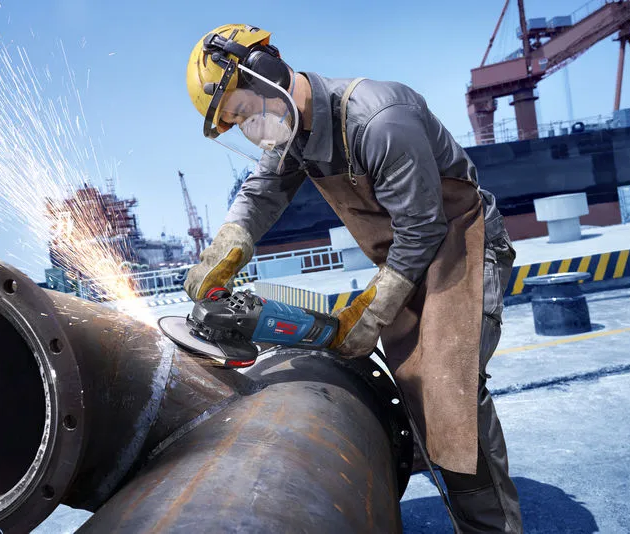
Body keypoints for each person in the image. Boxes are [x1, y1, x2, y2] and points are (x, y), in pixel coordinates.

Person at [183, 24, 523, 533]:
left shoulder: (380, 120)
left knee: (447, 389)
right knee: (411, 385)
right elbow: (260, 193)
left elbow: (423, 228)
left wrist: (369, 312)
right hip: (408, 258)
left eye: (241, 111)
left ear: (266, 73)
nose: (248, 129)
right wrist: (227, 244)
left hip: (462, 248)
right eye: (234, 124)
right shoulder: (291, 129)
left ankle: (492, 528)